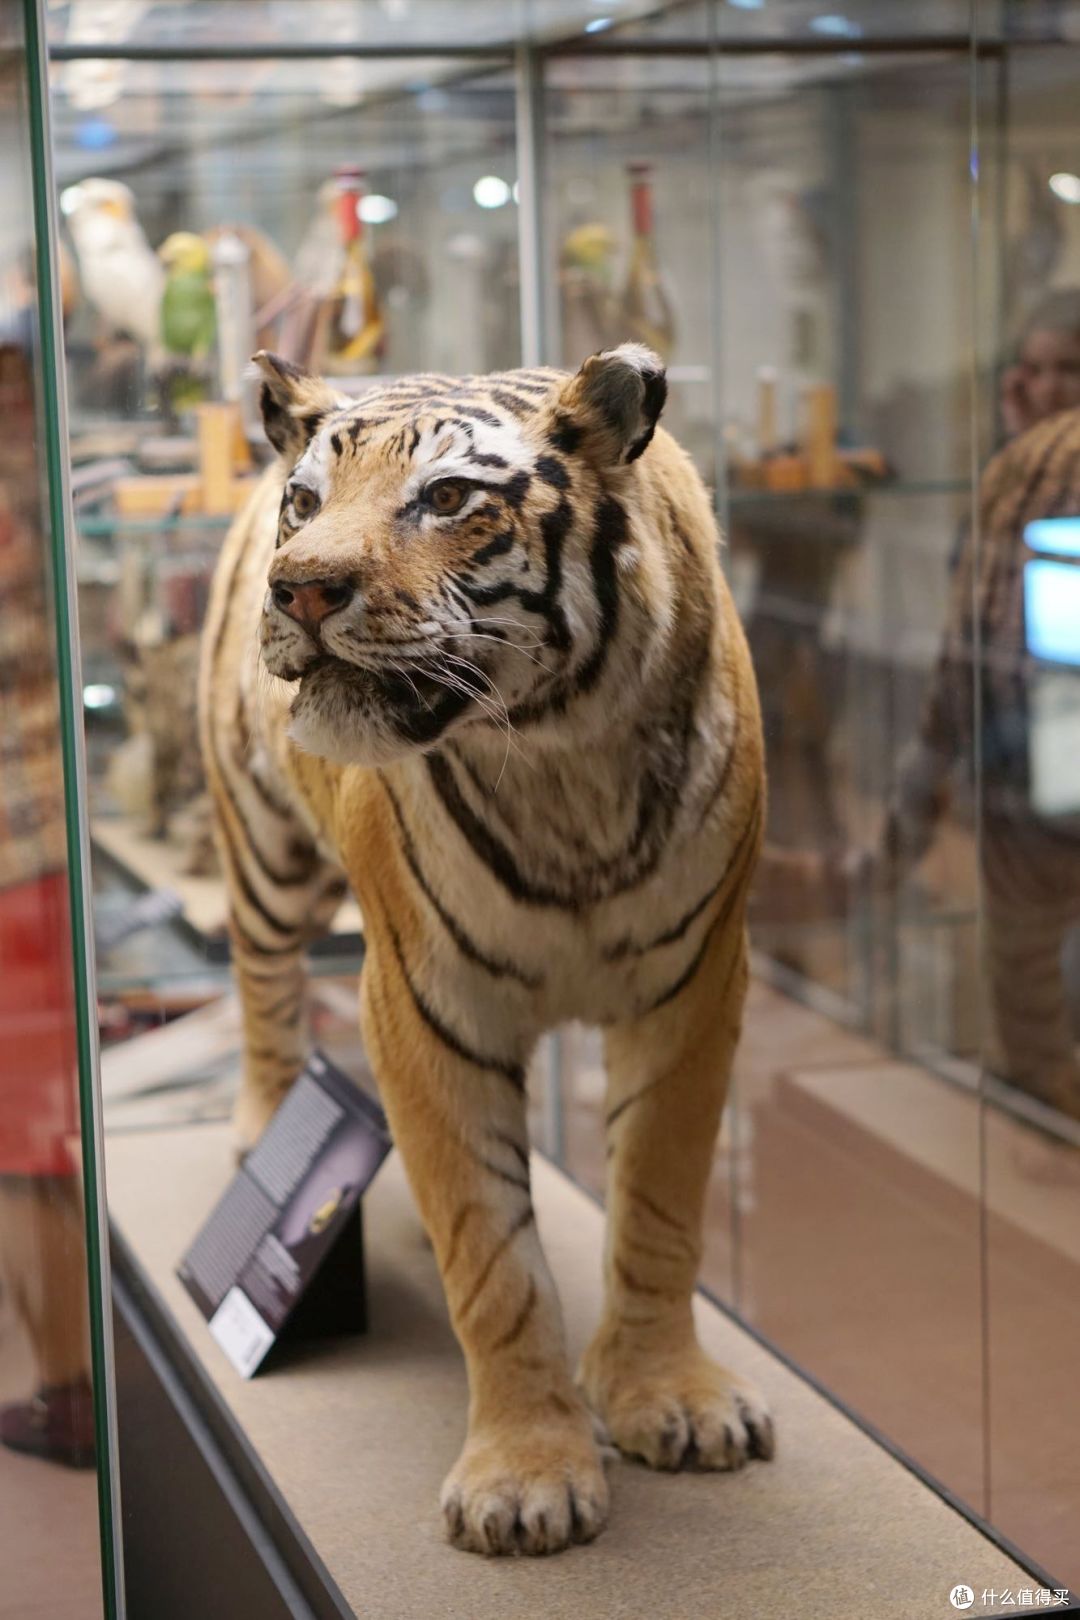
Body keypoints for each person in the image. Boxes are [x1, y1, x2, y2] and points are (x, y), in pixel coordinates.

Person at [883, 291, 1080, 1123]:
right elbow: (972, 615)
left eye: (1067, 370)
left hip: (1039, 736)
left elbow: (966, 636)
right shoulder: (1015, 464)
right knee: (1027, 942)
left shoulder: (1026, 465)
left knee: (1028, 948)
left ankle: (1044, 1095)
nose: (1043, 386)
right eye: (1030, 369)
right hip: (1031, 739)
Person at [0, 336, 95, 1469]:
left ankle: (69, 1388)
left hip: (16, 840)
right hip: (42, 827)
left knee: (26, 1139)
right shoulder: (31, 440)